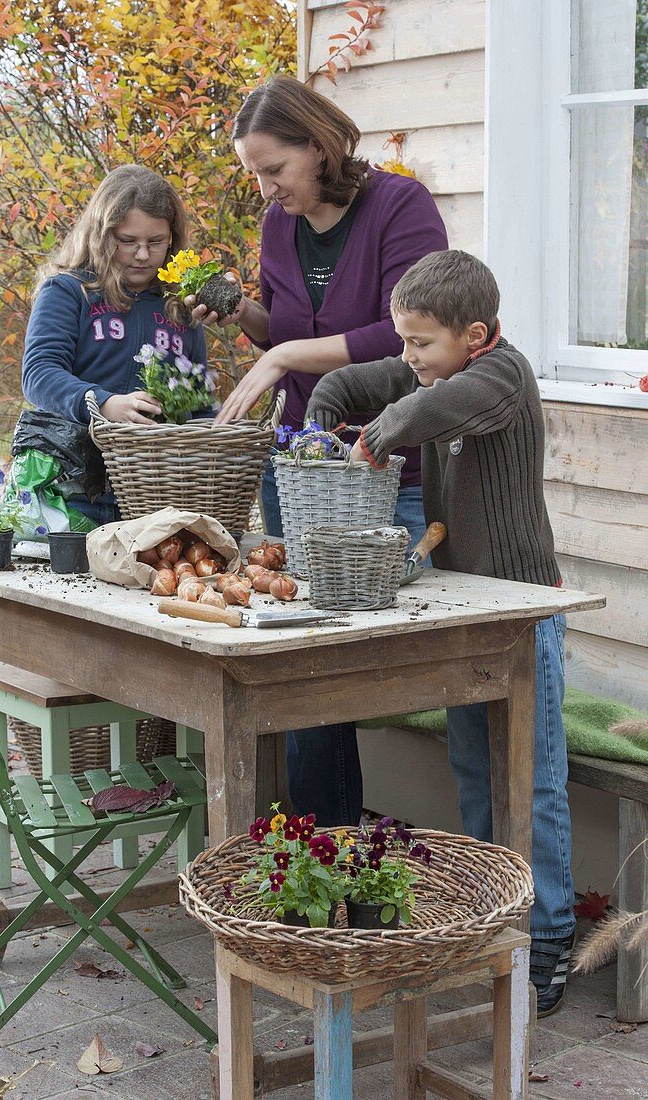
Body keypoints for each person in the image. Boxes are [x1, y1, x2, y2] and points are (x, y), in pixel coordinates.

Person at [306, 249, 575, 1017]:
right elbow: (357, 384)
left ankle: (549, 936)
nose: (408, 357)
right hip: (468, 617)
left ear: (476, 335)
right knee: (474, 769)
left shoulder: (503, 377)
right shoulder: (431, 372)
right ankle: (499, 912)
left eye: (420, 343)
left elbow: (421, 411)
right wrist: (326, 412)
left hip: (524, 614)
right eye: (405, 342)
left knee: (529, 773)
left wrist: (378, 437)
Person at [193, 75, 447, 826]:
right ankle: (323, 846)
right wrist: (243, 314)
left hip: (389, 472)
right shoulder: (281, 229)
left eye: (274, 169)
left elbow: (407, 341)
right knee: (304, 675)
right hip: (302, 478)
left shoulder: (401, 207)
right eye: (255, 174)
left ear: (318, 144)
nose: (266, 188)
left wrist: (281, 359)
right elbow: (286, 330)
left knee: (374, 660)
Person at [22, 164, 207, 525]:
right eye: (127, 241)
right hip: (74, 484)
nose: (142, 255)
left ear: (172, 237)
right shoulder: (69, 291)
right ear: (102, 235)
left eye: (155, 242)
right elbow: (39, 374)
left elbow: (197, 397)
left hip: (155, 489)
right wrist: (102, 402)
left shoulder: (179, 303)